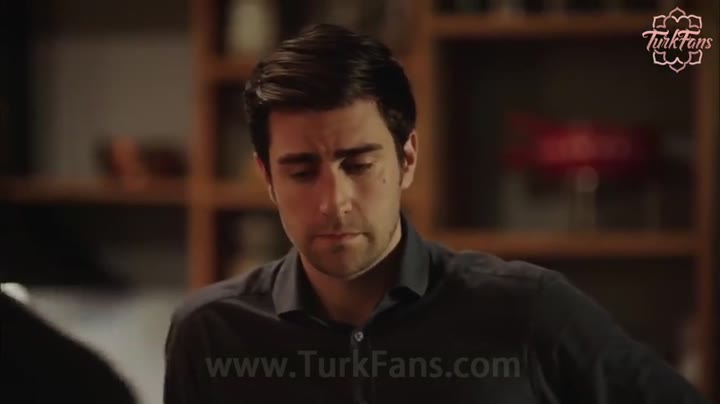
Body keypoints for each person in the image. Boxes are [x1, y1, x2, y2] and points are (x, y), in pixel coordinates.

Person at [163, 24, 708, 404]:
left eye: (359, 164)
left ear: (407, 160)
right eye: (302, 172)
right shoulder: (212, 334)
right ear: (267, 178)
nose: (334, 200)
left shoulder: (527, 309)